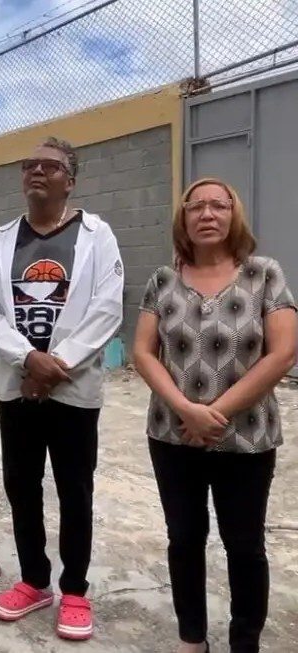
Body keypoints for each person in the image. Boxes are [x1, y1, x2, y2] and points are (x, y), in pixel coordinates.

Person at [133, 178, 296, 653]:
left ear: (233, 214)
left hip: (246, 437)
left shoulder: (264, 274)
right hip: (173, 434)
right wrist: (186, 409)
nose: (207, 214)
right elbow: (143, 352)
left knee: (244, 545)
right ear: (183, 218)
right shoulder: (163, 280)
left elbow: (283, 352)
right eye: (196, 206)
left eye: (218, 206)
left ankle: (245, 643)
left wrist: (215, 413)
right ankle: (193, 638)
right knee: (184, 539)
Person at [0, 137, 124, 641]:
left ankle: (75, 589)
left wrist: (55, 365)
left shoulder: (97, 235)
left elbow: (108, 307)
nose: (37, 171)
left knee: (74, 490)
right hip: (18, 386)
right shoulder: (2, 240)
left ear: (70, 180)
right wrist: (28, 360)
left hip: (71, 388)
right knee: (22, 489)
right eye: (30, 165)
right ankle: (35, 581)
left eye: (50, 165)